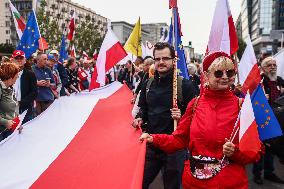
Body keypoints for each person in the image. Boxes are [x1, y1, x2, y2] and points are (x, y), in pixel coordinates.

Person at [139, 51, 262, 189]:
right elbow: (179, 139)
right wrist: (153, 139)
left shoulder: (242, 106)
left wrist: (235, 152)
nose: (225, 77)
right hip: (194, 183)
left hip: (230, 183)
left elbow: (255, 152)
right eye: (218, 73)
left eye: (230, 72)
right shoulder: (195, 104)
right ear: (206, 75)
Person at [133, 42, 198, 189]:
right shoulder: (148, 83)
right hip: (151, 145)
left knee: (172, 186)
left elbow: (197, 119)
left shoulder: (185, 86)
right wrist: (140, 118)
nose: (161, 62)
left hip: (174, 149)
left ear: (174, 60)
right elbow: (143, 108)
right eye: (157, 59)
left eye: (165, 58)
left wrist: (182, 117)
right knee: (139, 183)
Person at [252, 56, 284, 185]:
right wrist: (260, 97)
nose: (272, 67)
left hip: (278, 121)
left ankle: (269, 173)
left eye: (274, 64)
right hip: (262, 120)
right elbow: (250, 99)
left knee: (272, 148)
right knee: (261, 148)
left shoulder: (280, 81)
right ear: (263, 68)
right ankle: (257, 174)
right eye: (269, 65)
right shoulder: (258, 81)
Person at [12, 50, 37, 124]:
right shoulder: (7, 73)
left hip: (25, 109)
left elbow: (34, 92)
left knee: (26, 131)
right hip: (10, 109)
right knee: (10, 133)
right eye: (17, 58)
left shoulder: (30, 74)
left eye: (21, 58)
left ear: (25, 60)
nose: (19, 60)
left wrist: (21, 103)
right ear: (13, 60)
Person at [0, 63, 20, 141]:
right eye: (16, 75)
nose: (18, 77)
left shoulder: (10, 88)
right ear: (10, 77)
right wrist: (5, 122)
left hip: (9, 130)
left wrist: (17, 124)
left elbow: (14, 108)